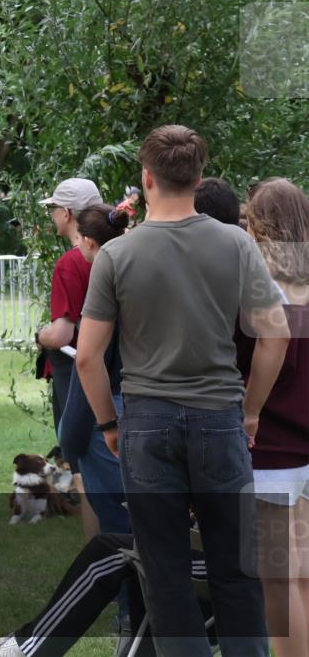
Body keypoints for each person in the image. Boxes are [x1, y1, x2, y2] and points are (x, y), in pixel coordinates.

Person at [76, 125, 290, 657]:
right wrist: (252, 410)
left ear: (146, 179)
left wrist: (108, 424)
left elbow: (87, 356)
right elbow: (274, 334)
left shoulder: (117, 256)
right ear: (197, 178)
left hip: (147, 423)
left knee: (166, 576)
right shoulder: (236, 243)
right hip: (220, 417)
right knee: (236, 573)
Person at [235, 178, 309, 657]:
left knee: (278, 585)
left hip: (273, 451)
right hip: (303, 450)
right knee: (300, 577)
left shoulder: (261, 291)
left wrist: (249, 411)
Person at [0, 531, 209, 657]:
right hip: (225, 552)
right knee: (139, 558)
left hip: (232, 568)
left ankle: (29, 648)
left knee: (111, 551)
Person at [35, 178, 104, 540]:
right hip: (118, 365)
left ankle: (98, 550)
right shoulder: (119, 251)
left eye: (53, 209)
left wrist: (40, 335)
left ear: (67, 214)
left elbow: (62, 333)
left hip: (78, 368)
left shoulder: (70, 263)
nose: (51, 215)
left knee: (82, 466)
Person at [58, 204, 130, 536]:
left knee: (116, 511)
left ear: (88, 242)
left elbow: (88, 360)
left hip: (108, 409)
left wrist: (103, 425)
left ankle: (124, 587)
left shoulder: (105, 286)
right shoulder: (137, 276)